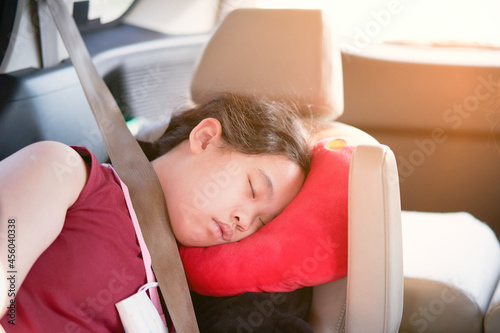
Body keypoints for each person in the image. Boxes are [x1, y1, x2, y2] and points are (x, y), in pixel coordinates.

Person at [0, 94, 311, 331]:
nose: (245, 221)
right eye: (253, 188)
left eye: (262, 221)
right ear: (204, 139)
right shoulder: (64, 172)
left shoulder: (185, 296)